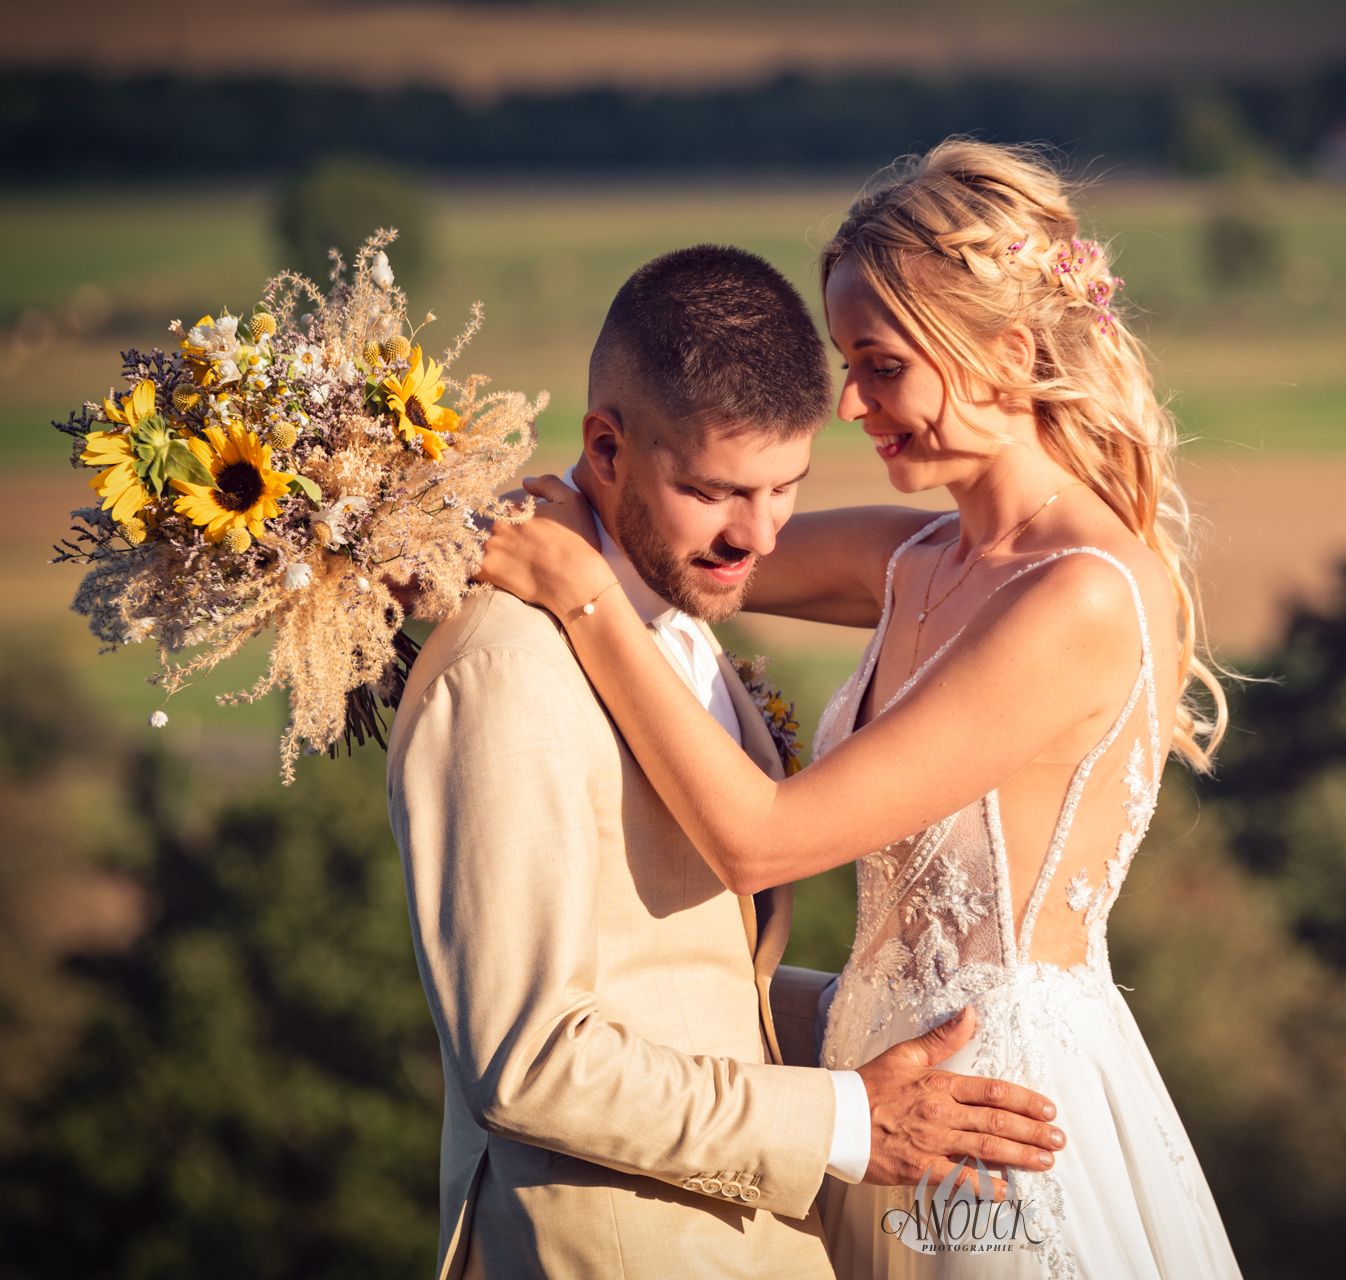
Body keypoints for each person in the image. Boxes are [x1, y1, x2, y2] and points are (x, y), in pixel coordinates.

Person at [481, 141, 1241, 1277]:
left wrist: (582, 598)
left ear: (1008, 351)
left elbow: (760, 839)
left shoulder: (1081, 597)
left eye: (879, 365)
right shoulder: (918, 555)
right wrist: (432, 518)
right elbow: (671, 541)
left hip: (993, 1133)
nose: (849, 402)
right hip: (875, 1108)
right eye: (848, 362)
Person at [389, 244, 1065, 1280]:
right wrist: (845, 1117)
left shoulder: (673, 610)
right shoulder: (506, 668)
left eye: (785, 488)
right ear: (605, 449)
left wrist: (896, 1019)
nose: (754, 537)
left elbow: (683, 971)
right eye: (714, 491)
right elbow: (527, 1061)